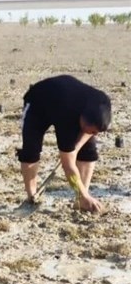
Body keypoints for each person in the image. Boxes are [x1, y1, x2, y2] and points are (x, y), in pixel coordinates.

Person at [17, 74, 112, 213]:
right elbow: (68, 166)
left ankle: (81, 199)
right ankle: (32, 197)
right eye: (91, 130)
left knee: (89, 151)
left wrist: (77, 147)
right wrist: (70, 153)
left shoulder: (102, 103)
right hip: (38, 103)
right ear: (82, 120)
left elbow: (91, 131)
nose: (93, 133)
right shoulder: (67, 118)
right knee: (31, 151)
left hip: (70, 100)